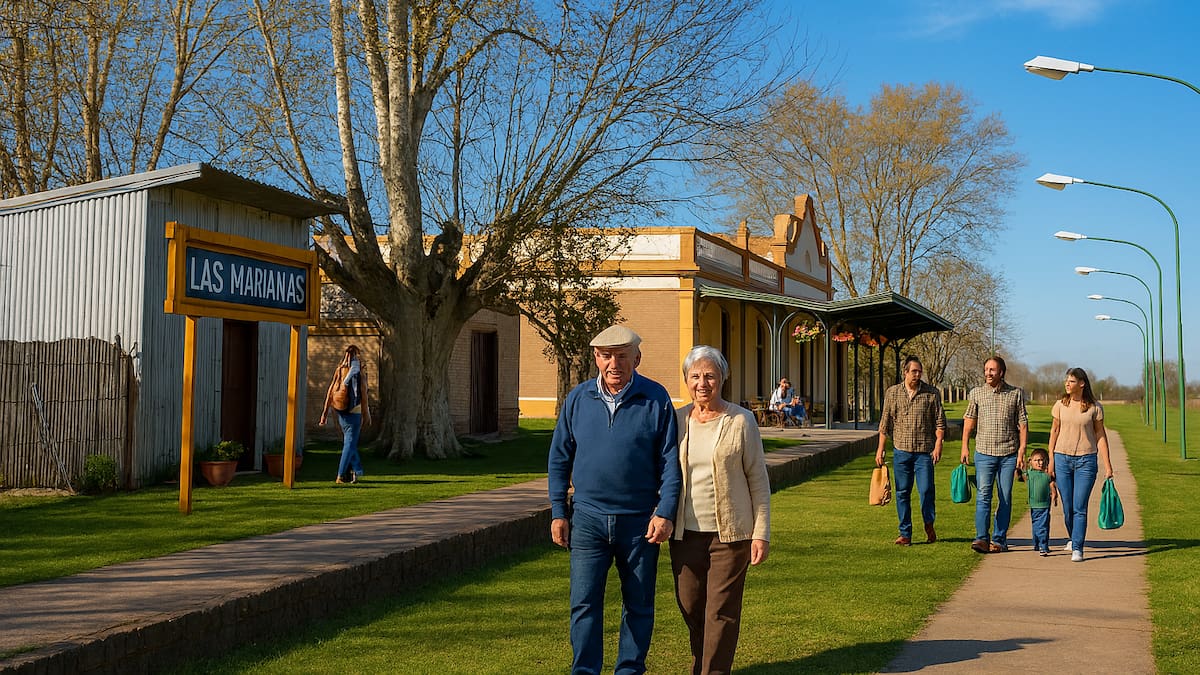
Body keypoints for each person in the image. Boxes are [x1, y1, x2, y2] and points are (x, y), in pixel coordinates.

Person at [548, 325, 681, 674]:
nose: (614, 363)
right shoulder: (577, 399)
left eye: (622, 356)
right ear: (596, 358)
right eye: (607, 356)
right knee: (584, 603)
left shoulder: (656, 398)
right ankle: (585, 671)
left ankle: (629, 670)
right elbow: (559, 458)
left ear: (637, 358)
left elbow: (670, 461)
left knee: (638, 605)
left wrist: (665, 511)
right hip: (588, 519)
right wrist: (558, 512)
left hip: (639, 522)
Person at [672, 346, 771, 675]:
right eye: (695, 376)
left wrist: (761, 534)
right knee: (690, 606)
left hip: (731, 535)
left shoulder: (741, 421)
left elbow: (758, 480)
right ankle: (703, 663)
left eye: (710, 375)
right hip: (684, 534)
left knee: (720, 612)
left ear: (722, 379)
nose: (703, 382)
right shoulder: (677, 421)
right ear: (686, 380)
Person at [876, 355, 946, 546]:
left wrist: (939, 443)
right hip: (901, 451)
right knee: (902, 493)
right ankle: (905, 533)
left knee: (926, 491)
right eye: (914, 371)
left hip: (924, 452)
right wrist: (880, 449)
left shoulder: (932, 394)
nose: (917, 374)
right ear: (905, 372)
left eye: (919, 371)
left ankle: (928, 522)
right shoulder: (892, 393)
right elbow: (885, 424)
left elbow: (940, 422)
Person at [960, 355, 1028, 554]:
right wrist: (965, 446)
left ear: (1001, 373)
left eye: (992, 370)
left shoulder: (1015, 394)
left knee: (1004, 496)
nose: (988, 373)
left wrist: (1022, 450)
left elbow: (1023, 423)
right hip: (984, 453)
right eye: (986, 369)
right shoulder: (977, 393)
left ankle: (999, 540)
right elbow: (969, 421)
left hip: (1008, 454)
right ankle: (981, 538)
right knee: (983, 496)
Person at [1047, 367, 1114, 562]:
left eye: (1071, 381)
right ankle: (1073, 537)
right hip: (1062, 459)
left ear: (1082, 383)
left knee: (1079, 506)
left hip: (1087, 460)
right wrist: (1051, 459)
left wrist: (1108, 465)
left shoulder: (1094, 407)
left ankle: (1078, 547)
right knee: (1067, 506)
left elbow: (1100, 436)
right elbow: (1054, 432)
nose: (1067, 384)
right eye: (1066, 381)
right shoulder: (1060, 405)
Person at [319, 344, 371, 484]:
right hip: (354, 410)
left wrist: (324, 413)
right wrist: (367, 414)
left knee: (349, 442)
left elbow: (330, 391)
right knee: (350, 443)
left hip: (340, 409)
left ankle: (353, 473)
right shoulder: (357, 372)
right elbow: (364, 396)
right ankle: (342, 475)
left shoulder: (339, 370)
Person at [1025, 447, 1058, 556]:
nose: (1039, 463)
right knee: (1036, 525)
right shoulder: (1030, 473)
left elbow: (1052, 486)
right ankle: (1037, 543)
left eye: (1042, 460)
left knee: (1043, 525)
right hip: (1034, 504)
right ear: (1031, 461)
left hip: (1044, 505)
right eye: (1036, 460)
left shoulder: (1047, 475)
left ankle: (1043, 546)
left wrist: (1054, 495)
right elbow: (1019, 475)